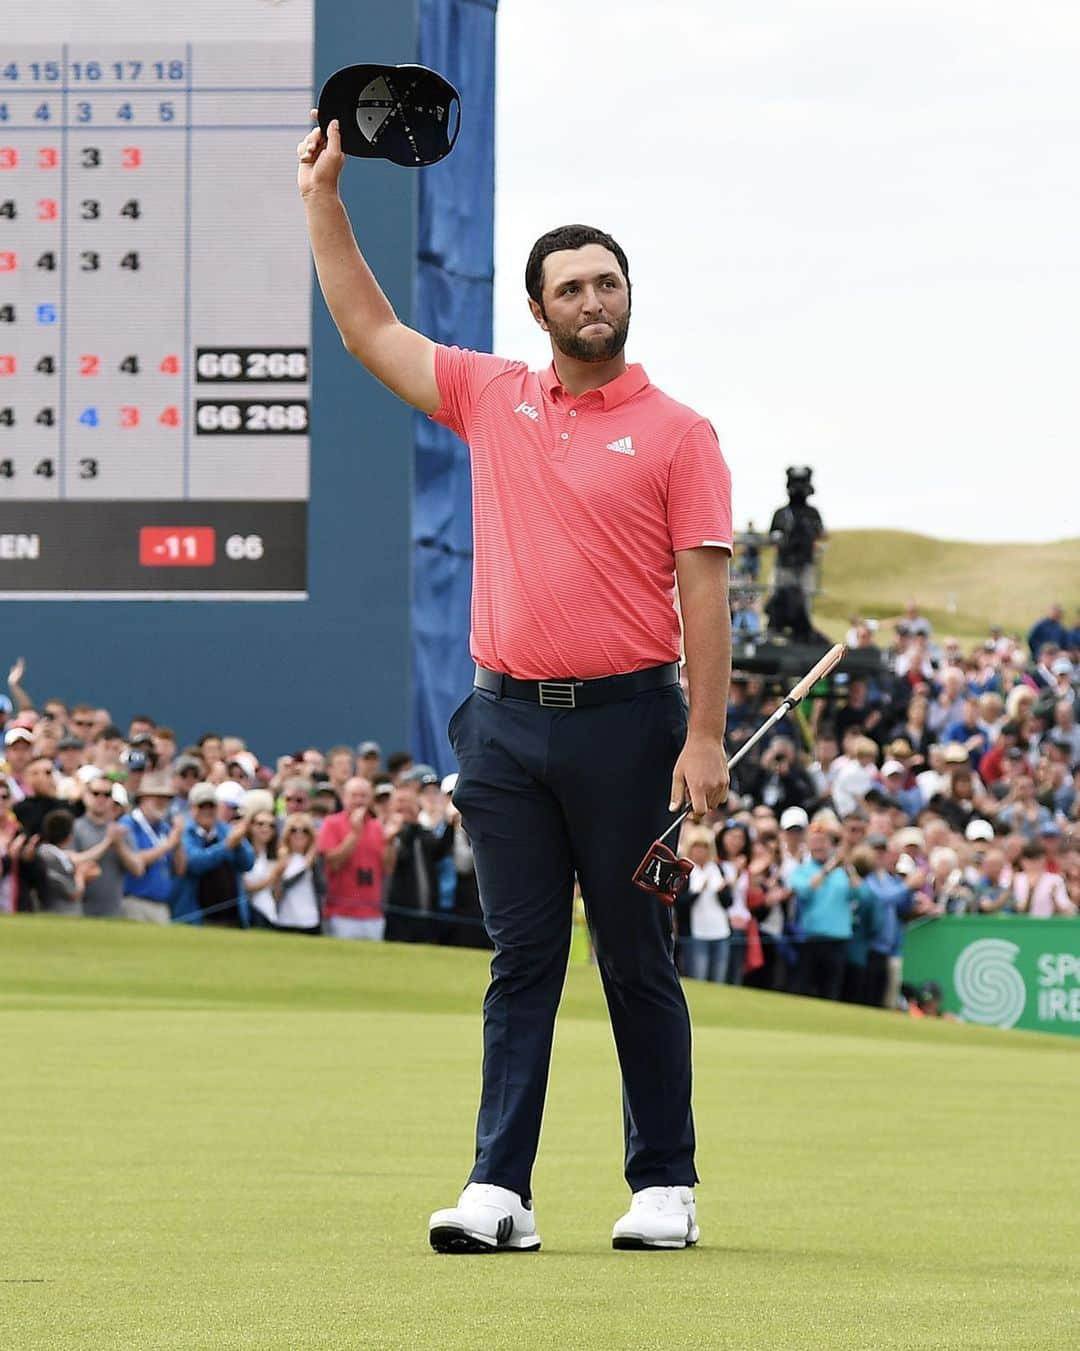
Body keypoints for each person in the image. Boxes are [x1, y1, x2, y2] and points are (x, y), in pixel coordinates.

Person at [299, 123, 732, 1252]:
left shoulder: (682, 434)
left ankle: (664, 1186)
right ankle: (499, 1191)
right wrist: (323, 199)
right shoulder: (492, 395)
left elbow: (705, 598)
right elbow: (365, 327)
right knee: (522, 959)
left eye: (609, 281)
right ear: (537, 312)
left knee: (635, 958)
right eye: (573, 287)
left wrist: (705, 736)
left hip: (632, 728)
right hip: (500, 725)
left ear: (627, 295)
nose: (595, 297)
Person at [317, 777, 389, 940]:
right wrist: (355, 834)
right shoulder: (332, 823)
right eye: (354, 795)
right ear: (343, 797)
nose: (358, 801)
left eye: (363, 796)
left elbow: (387, 869)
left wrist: (390, 843)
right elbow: (333, 864)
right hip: (341, 913)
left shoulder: (377, 826)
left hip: (373, 914)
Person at [71, 775, 146, 919]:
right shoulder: (76, 827)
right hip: (80, 910)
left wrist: (119, 845)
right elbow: (71, 861)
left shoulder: (120, 832)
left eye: (106, 794)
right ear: (86, 795)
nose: (101, 798)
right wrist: (107, 843)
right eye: (95, 793)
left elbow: (138, 869)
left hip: (113, 911)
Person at [120, 774, 185, 923]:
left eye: (166, 799)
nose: (163, 803)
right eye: (158, 798)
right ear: (143, 798)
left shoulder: (164, 828)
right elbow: (136, 860)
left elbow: (180, 869)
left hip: (161, 904)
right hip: (135, 902)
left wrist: (178, 840)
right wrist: (168, 845)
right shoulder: (129, 823)